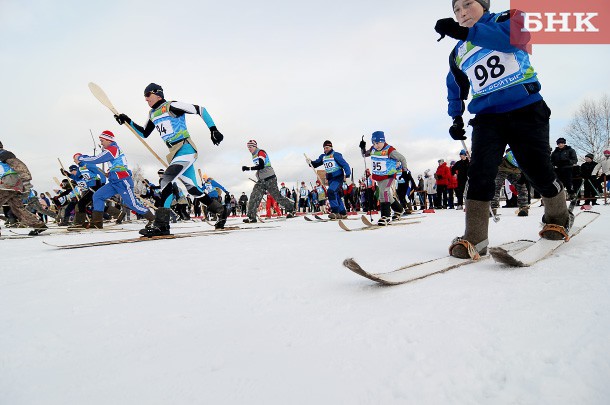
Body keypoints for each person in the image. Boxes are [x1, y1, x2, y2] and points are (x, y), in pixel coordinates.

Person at [435, 0, 572, 259]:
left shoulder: (508, 18)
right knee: (480, 173)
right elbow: (455, 85)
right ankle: (475, 237)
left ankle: (558, 216)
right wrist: (456, 118)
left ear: (484, 5)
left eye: (467, 4)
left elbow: (512, 40)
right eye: (456, 10)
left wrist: (466, 32)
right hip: (487, 117)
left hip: (526, 108)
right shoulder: (458, 52)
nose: (461, 12)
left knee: (536, 169)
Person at [113, 83, 227, 235]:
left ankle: (162, 225)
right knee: (193, 189)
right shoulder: (152, 113)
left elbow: (200, 109)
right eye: (144, 97)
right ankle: (221, 210)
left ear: (157, 94)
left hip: (185, 149)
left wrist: (213, 129)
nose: (146, 99)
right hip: (174, 153)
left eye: (148, 95)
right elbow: (144, 133)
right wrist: (127, 120)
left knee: (166, 180)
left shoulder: (171, 106)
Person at [76, 130, 155, 229]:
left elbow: (97, 159)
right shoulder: (110, 150)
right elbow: (116, 164)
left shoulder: (113, 148)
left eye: (102, 140)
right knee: (98, 196)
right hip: (114, 182)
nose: (101, 143)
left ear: (108, 140)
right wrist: (111, 172)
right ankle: (97, 222)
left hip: (123, 181)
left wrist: (82, 158)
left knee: (132, 204)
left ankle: (153, 219)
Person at [359, 131, 409, 225]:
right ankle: (399, 209)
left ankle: (385, 216)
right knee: (387, 195)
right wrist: (362, 148)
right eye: (374, 143)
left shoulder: (389, 150)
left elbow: (402, 158)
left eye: (377, 143)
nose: (376, 145)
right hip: (379, 176)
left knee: (384, 193)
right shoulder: (373, 149)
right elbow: (364, 155)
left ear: (383, 141)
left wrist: (404, 171)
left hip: (388, 175)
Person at [241, 140, 296, 223]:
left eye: (250, 147)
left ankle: (291, 209)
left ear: (255, 146)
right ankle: (252, 217)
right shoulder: (253, 155)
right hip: (261, 180)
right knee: (254, 196)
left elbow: (261, 165)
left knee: (277, 196)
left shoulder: (261, 152)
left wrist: (248, 168)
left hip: (270, 178)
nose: (249, 149)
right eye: (248, 147)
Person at [0, 141, 47, 236]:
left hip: (10, 183)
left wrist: (26, 180)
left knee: (17, 208)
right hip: (9, 184)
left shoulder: (3, 154)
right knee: (17, 208)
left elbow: (20, 166)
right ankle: (38, 225)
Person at [306, 140, 352, 219]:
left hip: (338, 177)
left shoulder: (336, 155)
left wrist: (347, 175)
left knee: (331, 192)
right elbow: (316, 164)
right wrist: (310, 162)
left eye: (327, 147)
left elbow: (345, 165)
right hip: (330, 179)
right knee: (336, 195)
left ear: (331, 147)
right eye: (324, 148)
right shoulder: (323, 157)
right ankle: (343, 212)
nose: (325, 149)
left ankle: (335, 211)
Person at [492, 149, 529, 216]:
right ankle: (492, 208)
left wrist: (524, 177)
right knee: (496, 187)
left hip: (516, 169)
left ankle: (523, 207)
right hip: (502, 169)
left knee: (521, 186)